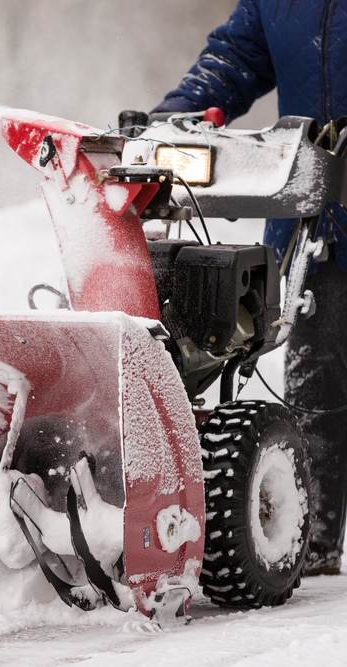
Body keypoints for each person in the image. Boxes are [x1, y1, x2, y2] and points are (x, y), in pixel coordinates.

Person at [151, 0, 347, 576]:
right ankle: (312, 538)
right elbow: (234, 58)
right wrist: (178, 117)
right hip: (320, 219)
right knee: (318, 389)